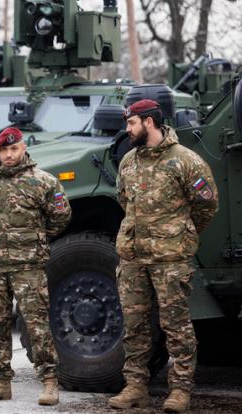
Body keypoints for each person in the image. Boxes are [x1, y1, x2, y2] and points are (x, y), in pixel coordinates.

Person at [109, 99, 219, 412]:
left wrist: (179, 235)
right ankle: (135, 387)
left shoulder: (186, 160)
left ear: (149, 122)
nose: (127, 129)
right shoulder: (128, 161)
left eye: (131, 123)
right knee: (135, 326)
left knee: (177, 326)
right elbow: (124, 200)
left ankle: (180, 390)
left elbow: (206, 205)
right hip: (132, 257)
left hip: (170, 259)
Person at [0, 126, 72, 405]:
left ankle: (49, 382)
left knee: (37, 324)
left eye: (14, 149)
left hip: (28, 266)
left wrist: (34, 238)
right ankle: (0, 381)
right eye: (4, 150)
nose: (9, 154)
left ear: (23, 148)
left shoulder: (44, 182)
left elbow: (60, 217)